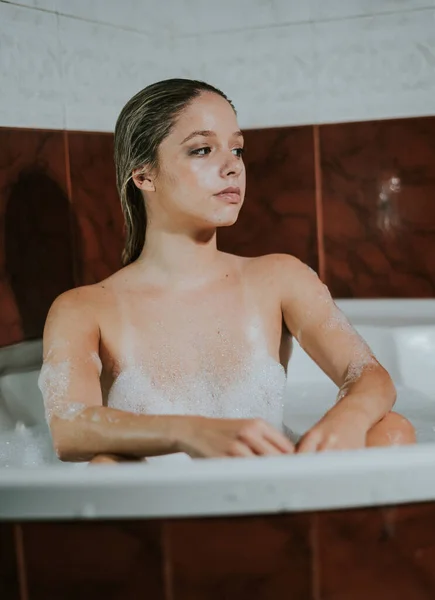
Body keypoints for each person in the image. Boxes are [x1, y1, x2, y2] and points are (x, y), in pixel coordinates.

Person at [38, 78, 415, 465]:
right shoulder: (84, 308)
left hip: (270, 489)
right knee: (108, 465)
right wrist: (191, 431)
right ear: (144, 176)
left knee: (392, 429)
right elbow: (69, 427)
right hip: (165, 505)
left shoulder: (278, 278)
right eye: (202, 149)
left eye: (237, 149)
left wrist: (346, 418)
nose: (232, 165)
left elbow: (369, 376)